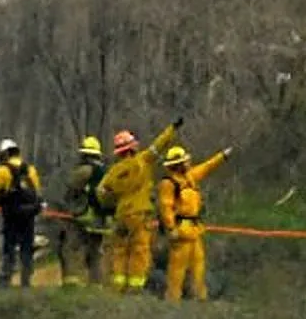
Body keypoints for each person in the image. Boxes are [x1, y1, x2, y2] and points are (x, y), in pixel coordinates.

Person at [96, 118, 182, 293]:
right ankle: (135, 289)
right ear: (132, 147)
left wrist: (113, 203)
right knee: (139, 251)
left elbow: (102, 194)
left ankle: (118, 288)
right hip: (141, 216)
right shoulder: (142, 161)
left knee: (119, 251)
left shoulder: (113, 171)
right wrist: (172, 128)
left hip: (121, 217)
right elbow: (158, 145)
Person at [157, 144, 233, 302]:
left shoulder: (190, 177)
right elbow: (166, 207)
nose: (188, 163)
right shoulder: (169, 183)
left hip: (194, 229)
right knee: (177, 269)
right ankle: (173, 299)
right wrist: (171, 228)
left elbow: (207, 166)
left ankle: (199, 297)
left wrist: (222, 156)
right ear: (178, 165)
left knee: (198, 266)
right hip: (181, 230)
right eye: (184, 161)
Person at [0, 139, 44, 288]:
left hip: (11, 216)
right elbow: (38, 193)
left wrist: (2, 197)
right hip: (29, 216)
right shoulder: (31, 170)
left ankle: (6, 281)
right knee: (27, 248)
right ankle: (26, 282)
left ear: (5, 154)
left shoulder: (2, 171)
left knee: (9, 248)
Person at [60, 135, 110, 286]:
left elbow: (71, 189)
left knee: (72, 248)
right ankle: (96, 284)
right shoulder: (106, 171)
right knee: (95, 253)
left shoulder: (83, 171)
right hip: (100, 219)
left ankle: (72, 282)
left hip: (83, 216)